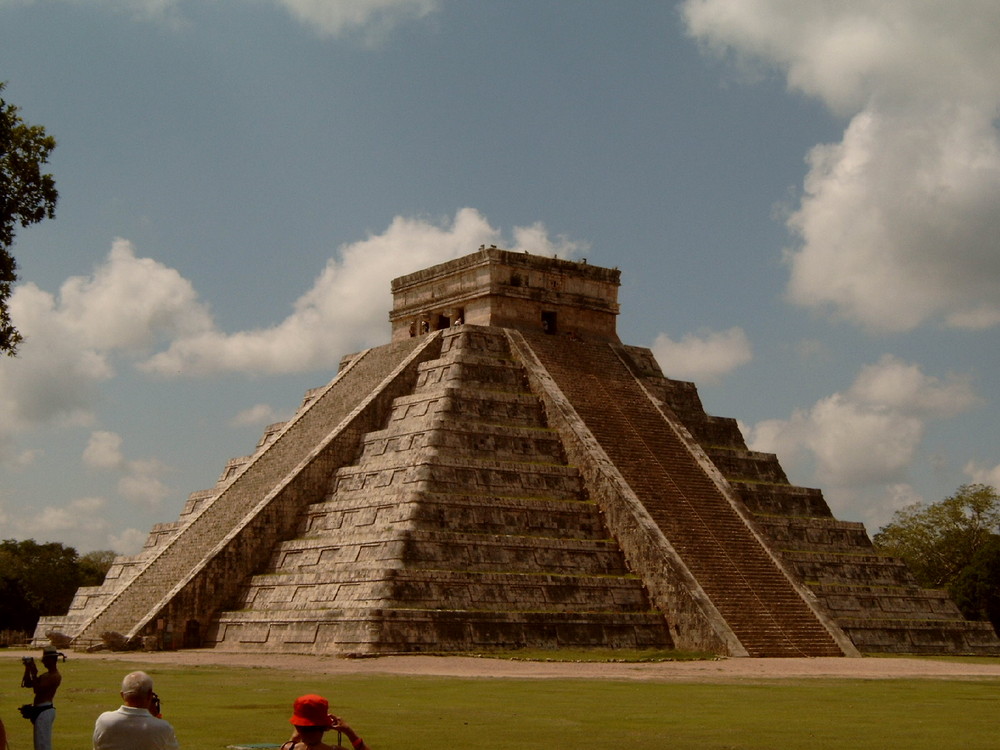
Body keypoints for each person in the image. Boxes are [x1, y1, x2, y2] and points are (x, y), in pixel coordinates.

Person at [93, 671, 178, 750]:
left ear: (122, 695)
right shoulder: (163, 728)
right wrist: (155, 719)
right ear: (149, 694)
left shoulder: (103, 721)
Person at [283, 694, 368, 750]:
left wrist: (293, 739)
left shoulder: (287, 748)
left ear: (297, 727)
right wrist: (349, 732)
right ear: (326, 727)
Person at [20, 647, 63, 750]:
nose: (43, 661)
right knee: (39, 744)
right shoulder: (46, 675)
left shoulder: (55, 676)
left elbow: (37, 690)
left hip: (45, 711)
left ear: (52, 660)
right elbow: (28, 684)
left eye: (45, 659)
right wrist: (28, 669)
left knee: (43, 745)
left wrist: (34, 673)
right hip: (40, 710)